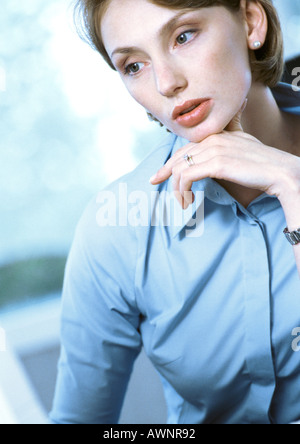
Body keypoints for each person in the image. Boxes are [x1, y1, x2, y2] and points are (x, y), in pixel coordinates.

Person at [50, 0, 300, 424]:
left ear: (251, 21)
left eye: (183, 36)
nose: (166, 83)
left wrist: (292, 186)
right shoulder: (116, 227)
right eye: (134, 65)